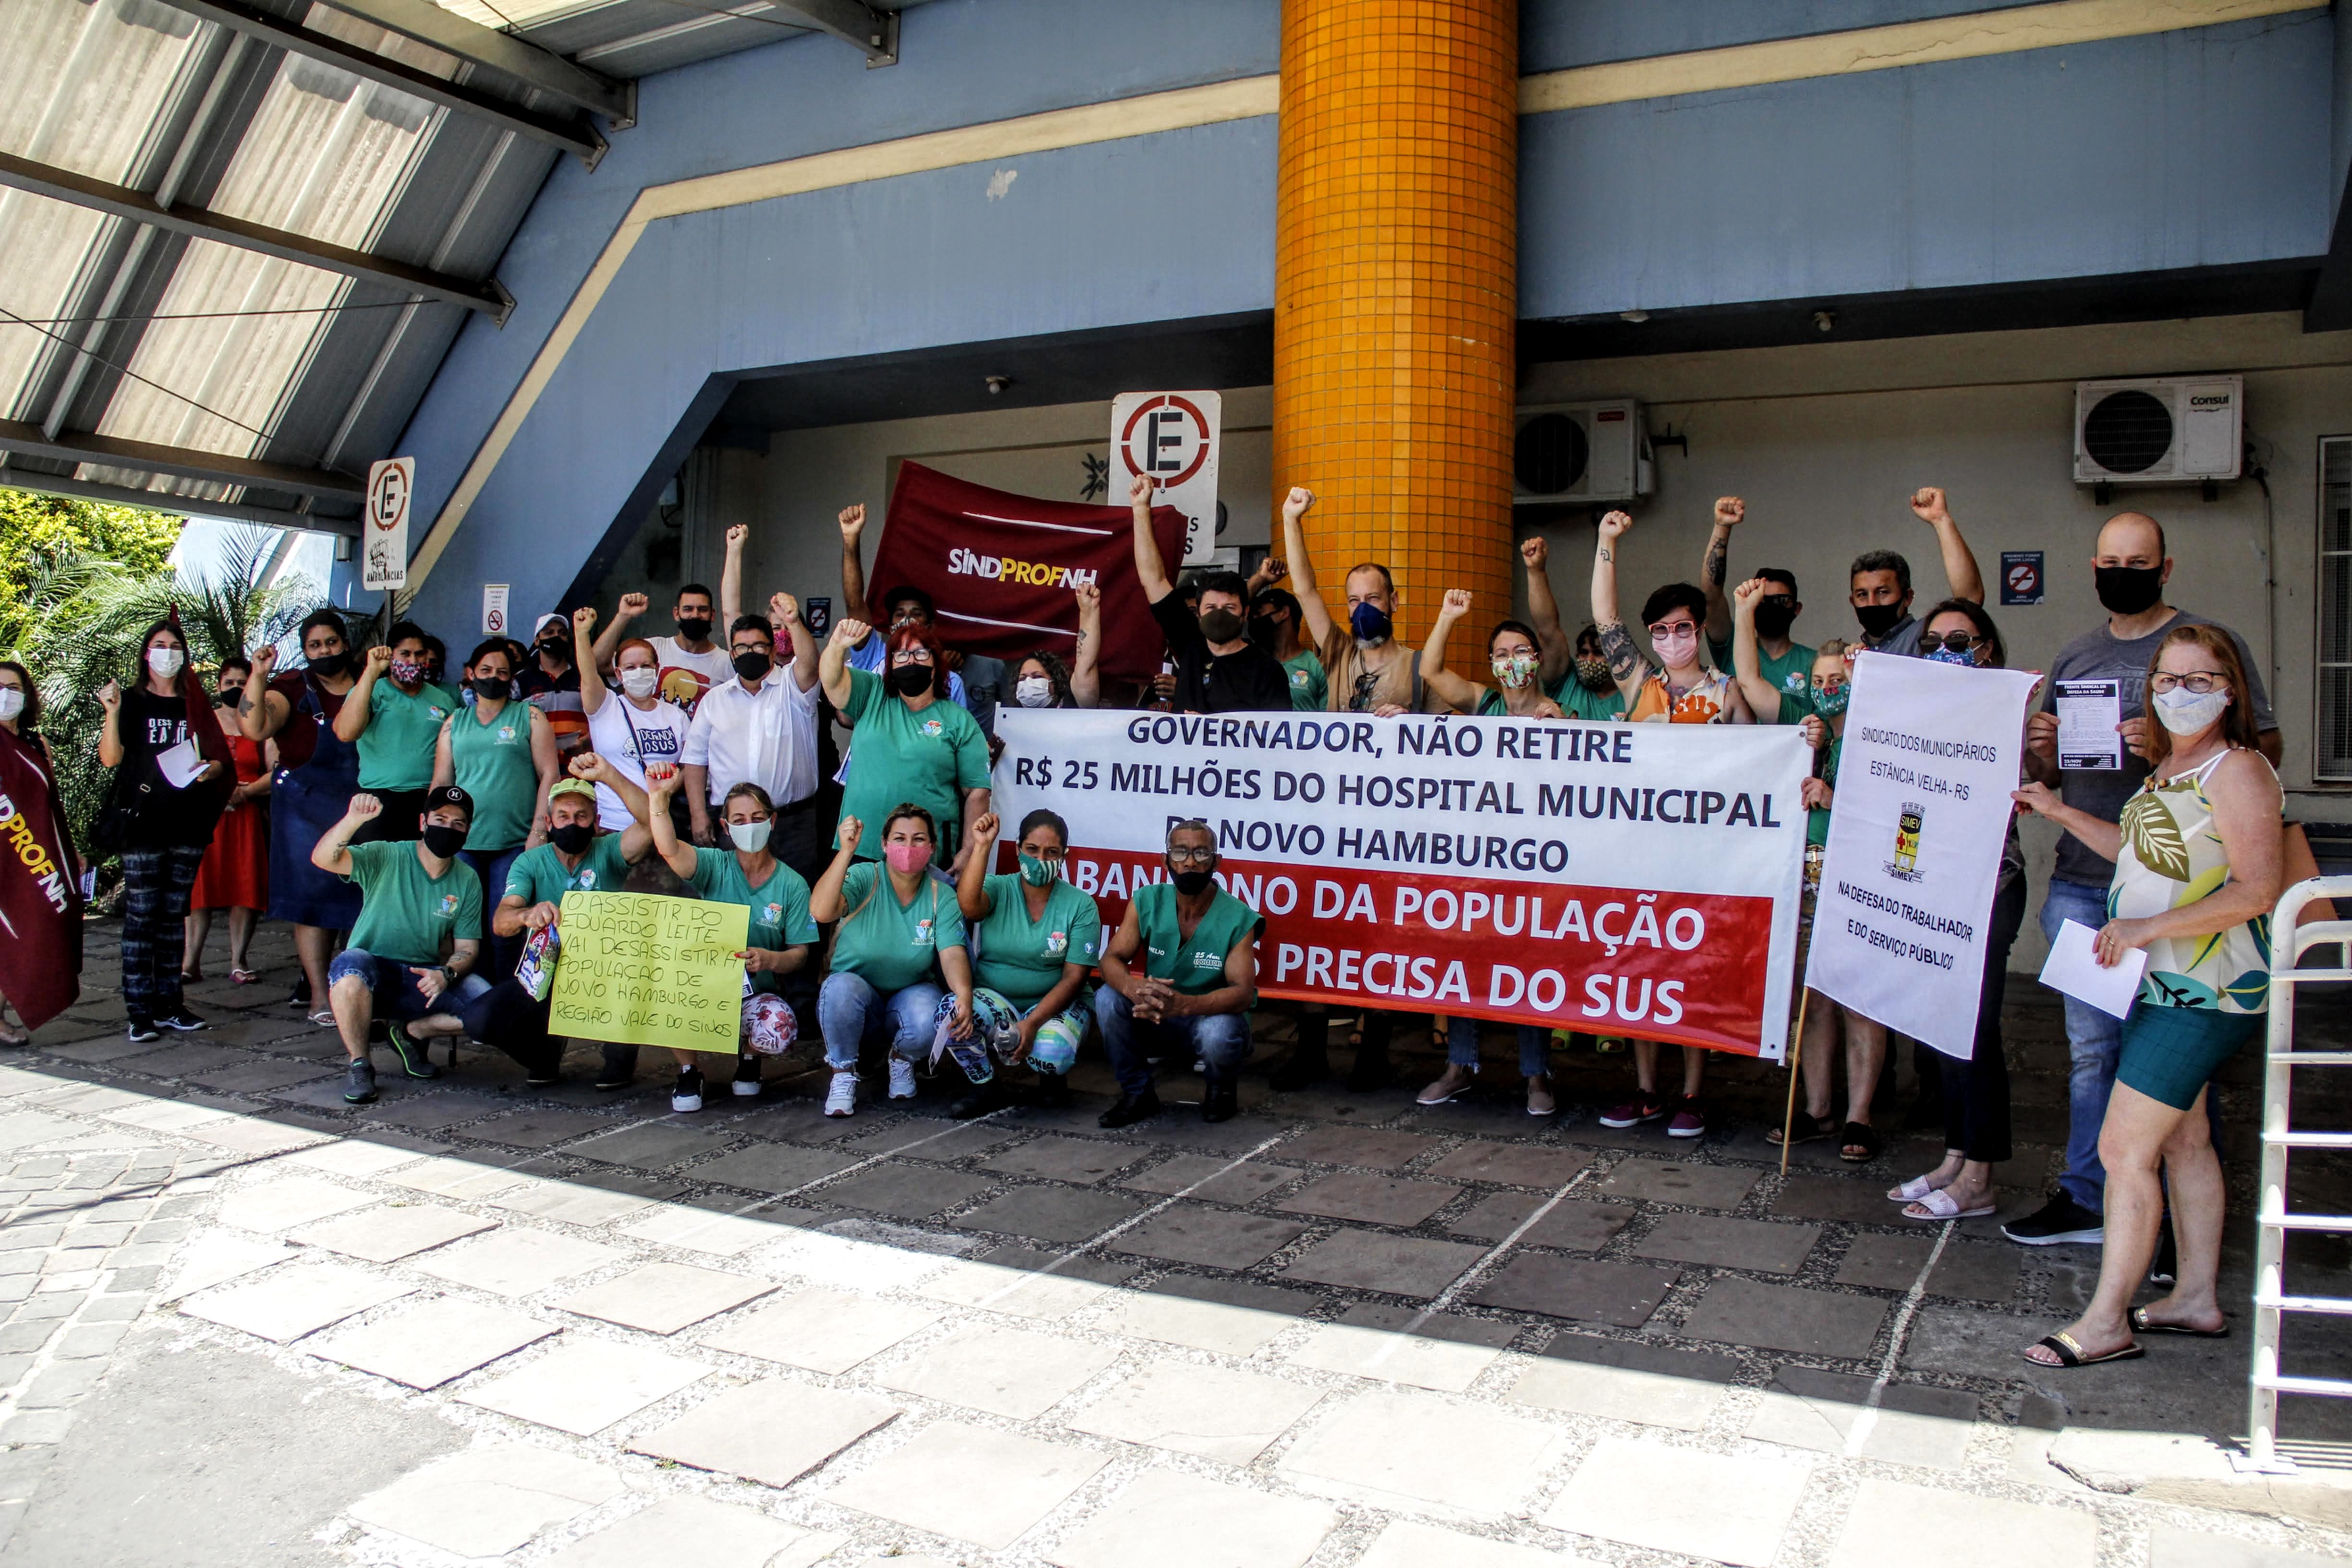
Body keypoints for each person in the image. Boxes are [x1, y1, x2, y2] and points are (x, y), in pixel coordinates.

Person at [2005, 510, 2281, 1248]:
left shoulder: (2204, 646)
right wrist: (2041, 752)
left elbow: (2261, 750)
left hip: (2185, 900)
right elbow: (2048, 771)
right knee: (2093, 1052)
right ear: (2092, 567)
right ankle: (2088, 1198)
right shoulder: (2075, 655)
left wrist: (2162, 743)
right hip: (2085, 881)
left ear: (2164, 567)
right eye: (2109, 562)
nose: (2120, 573)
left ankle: (2170, 1229)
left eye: (2136, 562)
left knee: (2176, 1061)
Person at [1854, 598, 2032, 1215]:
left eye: (1960, 641)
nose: (1944, 652)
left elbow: (2031, 776)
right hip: (1928, 888)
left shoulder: (2007, 709)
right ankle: (1956, 1155)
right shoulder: (1915, 712)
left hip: (1986, 888)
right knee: (1941, 1027)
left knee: (1974, 1029)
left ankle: (1980, 1175)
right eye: (1931, 643)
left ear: (1986, 649)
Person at [631, 766, 818, 1109]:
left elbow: (800, 954)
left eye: (758, 818)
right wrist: (658, 800)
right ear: (726, 827)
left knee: (782, 1028)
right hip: (703, 991)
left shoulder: (792, 884)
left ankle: (749, 1059)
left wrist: (770, 959)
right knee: (661, 989)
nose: (750, 826)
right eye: (740, 820)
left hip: (754, 995)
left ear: (773, 821)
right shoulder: (715, 865)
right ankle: (689, 1070)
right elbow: (670, 850)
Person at [471, 757, 658, 1086]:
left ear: (597, 822)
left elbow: (651, 822)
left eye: (581, 816)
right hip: (548, 972)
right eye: (563, 816)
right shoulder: (530, 862)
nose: (572, 823)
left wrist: (609, 775)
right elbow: (501, 921)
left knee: (633, 979)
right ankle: (542, 1053)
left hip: (607, 972)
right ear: (549, 822)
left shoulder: (609, 850)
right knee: (479, 1020)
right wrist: (527, 914)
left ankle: (620, 1056)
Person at [313, 785, 491, 1105]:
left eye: (458, 823)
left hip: (422, 978)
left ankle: (412, 1032)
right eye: (440, 819)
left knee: (489, 1010)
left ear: (468, 831)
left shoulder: (467, 879)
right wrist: (353, 820)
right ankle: (360, 1064)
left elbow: (468, 948)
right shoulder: (387, 854)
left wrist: (446, 973)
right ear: (423, 822)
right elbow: (324, 858)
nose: (448, 828)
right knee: (350, 965)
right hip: (373, 971)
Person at [97, 618, 230, 1042]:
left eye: (175, 646)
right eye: (160, 645)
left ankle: (170, 1003)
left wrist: (211, 770)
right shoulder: (132, 702)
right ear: (146, 653)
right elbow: (111, 758)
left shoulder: (195, 704)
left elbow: (219, 757)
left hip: (187, 821)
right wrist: (112, 712)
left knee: (174, 914)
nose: (167, 653)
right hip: (142, 822)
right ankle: (139, 1010)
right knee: (142, 914)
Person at [808, 805, 973, 1118]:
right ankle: (842, 1073)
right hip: (858, 995)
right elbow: (821, 911)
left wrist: (963, 993)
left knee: (931, 1013)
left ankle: (902, 1058)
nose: (909, 847)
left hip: (911, 993)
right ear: (884, 844)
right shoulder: (865, 877)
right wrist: (846, 852)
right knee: (838, 991)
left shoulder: (941, 895)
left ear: (932, 847)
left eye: (918, 839)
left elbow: (952, 952)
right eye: (899, 838)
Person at [1095, 819, 1261, 1127]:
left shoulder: (1238, 916)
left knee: (1219, 1032)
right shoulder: (1147, 900)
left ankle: (1221, 1088)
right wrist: (1135, 989)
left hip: (1208, 1018)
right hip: (1157, 1017)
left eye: (1201, 853)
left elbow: (1242, 994)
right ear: (1166, 860)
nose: (1190, 862)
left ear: (1216, 862)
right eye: (1180, 852)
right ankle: (1137, 1092)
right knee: (1107, 999)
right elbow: (1111, 960)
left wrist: (1185, 1005)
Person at [242, 612, 363, 1021]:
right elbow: (255, 727)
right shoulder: (291, 687)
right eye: (315, 645)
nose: (325, 651)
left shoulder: (369, 679)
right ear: (305, 650)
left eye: (331, 642)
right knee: (312, 903)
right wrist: (259, 675)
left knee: (360, 899)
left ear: (345, 643)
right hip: (303, 807)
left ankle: (355, 988)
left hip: (359, 804)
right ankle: (319, 997)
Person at [951, 808, 1101, 1116]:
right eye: (1032, 849)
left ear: (1065, 856)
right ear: (1018, 850)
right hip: (997, 1001)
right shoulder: (998, 887)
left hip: (1053, 1005)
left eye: (1052, 852)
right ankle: (985, 1086)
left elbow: (1074, 978)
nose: (1040, 859)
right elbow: (969, 907)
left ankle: (1051, 1078)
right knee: (950, 1014)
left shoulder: (1081, 905)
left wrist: (1031, 1025)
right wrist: (982, 845)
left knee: (1052, 1051)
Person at [819, 614, 992, 872]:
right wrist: (837, 645)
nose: (911, 660)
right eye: (901, 655)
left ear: (936, 663)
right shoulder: (871, 692)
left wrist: (968, 851)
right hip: (861, 846)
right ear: (890, 664)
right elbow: (832, 681)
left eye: (920, 653)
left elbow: (978, 791)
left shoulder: (959, 719)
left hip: (928, 855)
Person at [433, 639, 559, 980]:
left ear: (512, 677)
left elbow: (550, 774)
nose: (494, 677)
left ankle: (507, 995)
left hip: (515, 842)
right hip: (463, 841)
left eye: (503, 672)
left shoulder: (529, 716)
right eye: (486, 670)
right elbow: (442, 781)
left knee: (505, 928)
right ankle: (475, 997)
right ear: (471, 673)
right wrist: (434, 830)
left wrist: (539, 830)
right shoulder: (454, 722)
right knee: (467, 929)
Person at [680, 598, 825, 875]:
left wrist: (793, 622)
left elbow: (810, 663)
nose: (750, 653)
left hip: (792, 823)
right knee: (732, 896)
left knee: (796, 895)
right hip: (733, 824)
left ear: (773, 650)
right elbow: (695, 761)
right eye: (742, 648)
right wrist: (698, 815)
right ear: (732, 654)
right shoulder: (714, 700)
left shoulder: (794, 688)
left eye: (759, 646)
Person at [1131, 474, 1290, 712]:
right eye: (1211, 608)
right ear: (1198, 613)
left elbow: (1274, 731)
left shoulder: (1267, 670)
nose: (1219, 615)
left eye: (1229, 608)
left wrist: (1211, 726)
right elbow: (1154, 579)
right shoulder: (1191, 645)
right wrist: (1141, 509)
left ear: (1245, 613)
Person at [1589, 510, 1754, 727]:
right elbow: (1605, 617)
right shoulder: (1638, 682)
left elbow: (1752, 746)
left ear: (1701, 629)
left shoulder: (1728, 691)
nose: (1672, 635)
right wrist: (1606, 539)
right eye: (1661, 629)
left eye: (1683, 626)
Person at [184, 654, 273, 986]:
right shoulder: (203, 722)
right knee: (200, 890)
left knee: (244, 887)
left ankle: (239, 960)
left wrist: (244, 793)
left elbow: (277, 770)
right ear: (219, 685)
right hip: (207, 816)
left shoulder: (262, 722)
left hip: (246, 815)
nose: (235, 688)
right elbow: (186, 766)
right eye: (229, 682)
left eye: (242, 682)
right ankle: (190, 962)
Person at [836, 503, 972, 711]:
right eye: (900, 614)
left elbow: (958, 731)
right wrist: (850, 540)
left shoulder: (951, 682)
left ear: (931, 626)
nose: (907, 620)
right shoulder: (874, 655)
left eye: (916, 614)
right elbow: (854, 602)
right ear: (890, 624)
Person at [334, 622, 460, 843]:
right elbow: (346, 733)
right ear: (391, 656)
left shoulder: (443, 700)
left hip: (427, 799)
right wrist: (372, 671)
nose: (413, 661)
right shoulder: (373, 691)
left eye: (419, 654)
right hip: (378, 799)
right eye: (405, 654)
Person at [573, 605, 691, 838]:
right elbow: (588, 675)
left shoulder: (676, 715)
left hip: (662, 826)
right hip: (613, 826)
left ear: (657, 669)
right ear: (619, 674)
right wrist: (582, 634)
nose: (639, 672)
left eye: (645, 666)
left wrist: (667, 792)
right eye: (630, 668)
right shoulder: (606, 706)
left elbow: (690, 765)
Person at [1697, 497, 1814, 723]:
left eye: (1781, 601)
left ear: (1797, 608)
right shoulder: (1733, 647)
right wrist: (1722, 527)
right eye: (1762, 600)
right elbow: (1710, 598)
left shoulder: (1814, 662)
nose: (1770, 606)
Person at [1846, 487, 1987, 657]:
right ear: (1852, 601)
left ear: (1908, 597)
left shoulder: (1926, 636)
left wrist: (1941, 520)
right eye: (1862, 595)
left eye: (1882, 592)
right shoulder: (1859, 652)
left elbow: (1969, 600)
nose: (1872, 603)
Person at [591, 576, 733, 714]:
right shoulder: (651, 649)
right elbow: (598, 664)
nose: (695, 615)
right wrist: (623, 616)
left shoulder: (726, 662)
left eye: (702, 610)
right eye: (688, 609)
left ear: (713, 615)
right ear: (676, 613)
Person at [0, 659, 50, 1045]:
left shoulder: (36, 744)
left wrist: (68, 851)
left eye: (14, 688)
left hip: (30, 856)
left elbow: (50, 802)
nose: (6, 695)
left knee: (25, 935)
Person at [1006, 580, 1103, 710]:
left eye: (1037, 676)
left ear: (1055, 682)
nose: (1028, 683)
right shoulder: (1010, 717)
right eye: (1023, 679)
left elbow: (1087, 665)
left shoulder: (1073, 705)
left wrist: (1089, 611)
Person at [1244, 576, 1326, 712]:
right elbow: (1232, 610)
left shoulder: (1316, 666)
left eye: (1259, 613)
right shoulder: (1253, 662)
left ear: (1284, 612)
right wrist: (1261, 578)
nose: (1255, 620)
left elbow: (1329, 717)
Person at [517, 613, 589, 758]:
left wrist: (586, 742)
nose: (556, 637)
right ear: (537, 640)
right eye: (549, 633)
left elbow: (602, 718)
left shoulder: (585, 675)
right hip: (539, 764)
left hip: (582, 762)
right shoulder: (521, 680)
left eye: (562, 633)